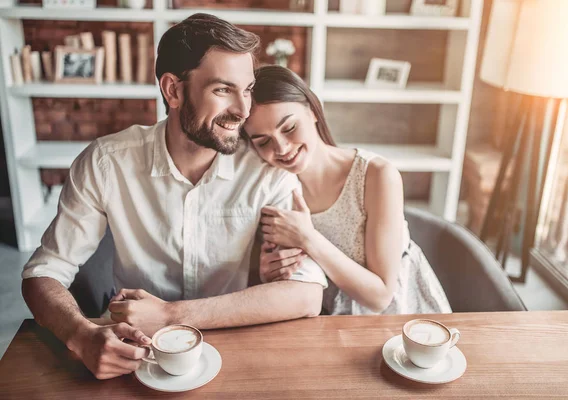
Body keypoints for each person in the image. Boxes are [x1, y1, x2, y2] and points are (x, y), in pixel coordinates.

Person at [21, 14, 327, 380]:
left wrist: (171, 314)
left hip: (235, 346)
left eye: (246, 89)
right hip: (134, 349)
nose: (243, 110)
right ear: (174, 90)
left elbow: (307, 295)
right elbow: (43, 273)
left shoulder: (266, 169)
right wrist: (81, 335)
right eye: (222, 90)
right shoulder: (106, 162)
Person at [242, 65, 451, 316]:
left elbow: (381, 296)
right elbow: (289, 277)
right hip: (326, 319)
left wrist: (308, 238)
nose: (282, 147)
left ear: (313, 111)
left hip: (401, 319)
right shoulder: (272, 190)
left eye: (289, 128)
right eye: (263, 141)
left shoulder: (377, 176)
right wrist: (270, 273)